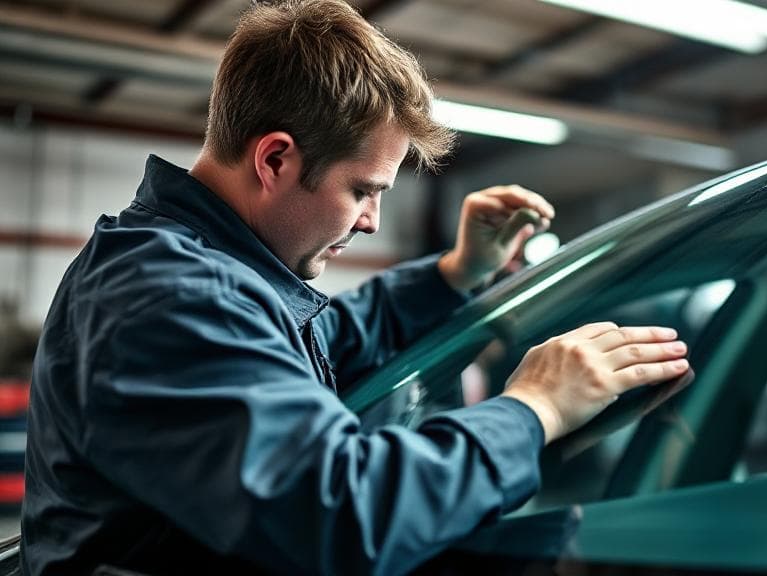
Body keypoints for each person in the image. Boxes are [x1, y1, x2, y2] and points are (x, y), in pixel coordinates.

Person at [19, 1, 691, 574]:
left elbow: (332, 337)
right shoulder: (168, 293)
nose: (370, 221)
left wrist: (457, 272)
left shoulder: (216, 274)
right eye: (363, 191)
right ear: (276, 158)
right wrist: (533, 410)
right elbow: (339, 513)